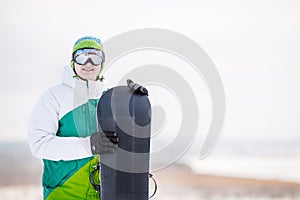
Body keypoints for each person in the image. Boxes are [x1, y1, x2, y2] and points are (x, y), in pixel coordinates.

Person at [28, 36, 118, 200]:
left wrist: (133, 100)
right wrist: (87, 145)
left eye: (95, 57)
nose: (88, 63)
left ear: (102, 63)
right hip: (64, 193)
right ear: (73, 61)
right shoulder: (54, 96)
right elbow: (39, 144)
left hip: (105, 193)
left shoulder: (110, 99)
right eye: (82, 56)